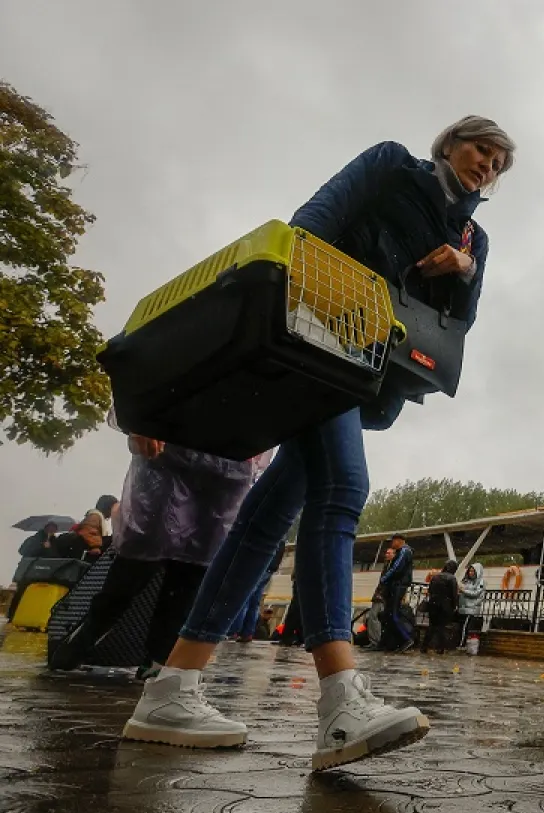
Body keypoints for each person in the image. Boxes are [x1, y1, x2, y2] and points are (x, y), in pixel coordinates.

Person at [119, 116, 514, 771]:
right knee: (342, 489)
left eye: (501, 162)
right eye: (481, 149)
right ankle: (339, 698)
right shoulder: (392, 164)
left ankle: (172, 684)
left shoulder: (476, 236)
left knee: (267, 517)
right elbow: (316, 219)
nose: (489, 165)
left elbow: (460, 324)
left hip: (365, 369)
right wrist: (307, 309)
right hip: (316, 335)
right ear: (450, 142)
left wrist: (464, 266)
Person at [49, 432, 270, 676]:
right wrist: (141, 425)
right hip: (169, 457)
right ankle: (89, 637)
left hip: (226, 470)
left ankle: (157, 661)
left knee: (187, 578)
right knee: (136, 566)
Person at [230, 539, 287, 642]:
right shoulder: (282, 534)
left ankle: (234, 630)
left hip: (259, 565)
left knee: (245, 598)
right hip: (270, 568)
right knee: (254, 601)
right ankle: (247, 632)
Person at [378, 536, 416, 652]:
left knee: (393, 614)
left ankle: (406, 639)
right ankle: (390, 643)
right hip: (397, 585)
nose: (391, 544)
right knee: (389, 615)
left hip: (398, 585)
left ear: (399, 541)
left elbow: (396, 568)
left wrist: (384, 579)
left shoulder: (404, 551)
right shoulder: (402, 551)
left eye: (393, 541)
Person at [422, 560, 461, 654]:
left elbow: (430, 590)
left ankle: (424, 646)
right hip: (445, 606)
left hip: (433, 604)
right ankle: (440, 648)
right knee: (442, 627)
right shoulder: (452, 578)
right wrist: (455, 605)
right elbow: (454, 594)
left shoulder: (436, 577)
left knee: (431, 626)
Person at [458, 562, 487, 634]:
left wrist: (463, 591)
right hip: (463, 608)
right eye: (470, 571)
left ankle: (462, 643)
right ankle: (460, 642)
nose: (471, 573)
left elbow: (476, 593)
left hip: (471, 609)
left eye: (473, 571)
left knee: (465, 628)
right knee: (461, 627)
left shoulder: (481, 582)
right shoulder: (466, 580)